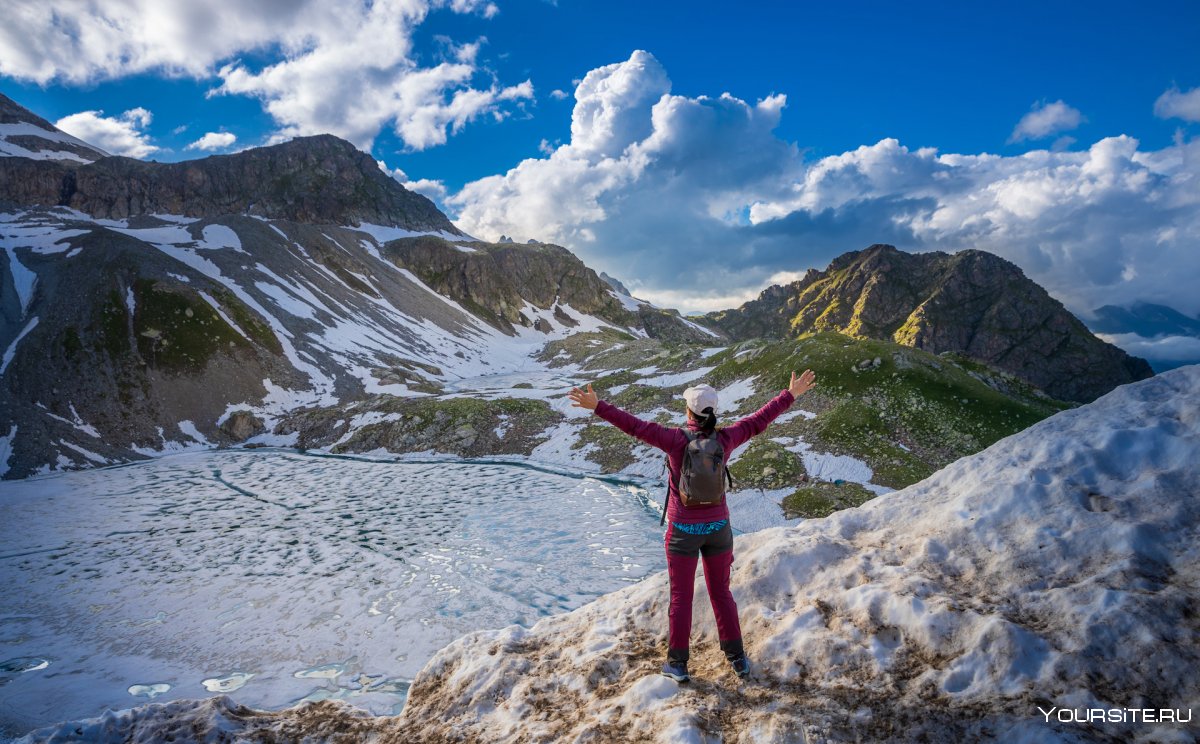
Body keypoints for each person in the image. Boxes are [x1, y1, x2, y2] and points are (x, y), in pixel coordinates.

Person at [568, 369, 817, 682]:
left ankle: (678, 664)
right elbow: (758, 421)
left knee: (681, 598)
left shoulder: (674, 440)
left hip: (683, 531)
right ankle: (738, 659)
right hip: (719, 529)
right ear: (713, 412)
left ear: (689, 411)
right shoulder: (725, 438)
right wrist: (789, 394)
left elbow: (634, 426)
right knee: (721, 594)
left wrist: (597, 406)